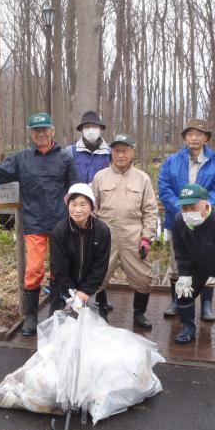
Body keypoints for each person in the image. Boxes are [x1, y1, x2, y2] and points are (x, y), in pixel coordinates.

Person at [0, 112, 79, 337]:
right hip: (35, 222)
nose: (41, 134)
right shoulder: (21, 159)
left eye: (45, 130)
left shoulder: (65, 158)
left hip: (61, 224)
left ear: (53, 131)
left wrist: (80, 214)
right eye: (36, 131)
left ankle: (55, 311)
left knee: (60, 269)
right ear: (31, 133)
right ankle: (30, 315)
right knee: (34, 270)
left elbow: (75, 188)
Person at [158, 118, 215, 321]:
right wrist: (182, 211)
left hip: (206, 222)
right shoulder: (172, 161)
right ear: (184, 138)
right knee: (177, 262)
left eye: (198, 134)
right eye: (190, 134)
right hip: (177, 220)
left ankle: (206, 304)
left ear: (206, 138)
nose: (194, 137)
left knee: (209, 262)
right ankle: (177, 301)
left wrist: (201, 210)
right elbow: (164, 188)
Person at [91, 134, 158, 328]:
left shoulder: (142, 178)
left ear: (132, 152)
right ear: (111, 153)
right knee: (99, 275)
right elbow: (91, 209)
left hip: (133, 234)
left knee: (144, 278)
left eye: (125, 151)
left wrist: (147, 238)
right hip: (105, 234)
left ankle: (139, 313)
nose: (121, 155)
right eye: (117, 151)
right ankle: (101, 308)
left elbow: (150, 210)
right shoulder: (100, 177)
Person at [171, 183, 215, 353]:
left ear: (205, 203)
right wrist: (184, 275)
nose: (188, 212)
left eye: (193, 207)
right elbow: (180, 251)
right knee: (182, 293)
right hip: (197, 263)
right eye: (185, 208)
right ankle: (188, 328)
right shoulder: (179, 221)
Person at [49, 183, 111, 314]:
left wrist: (85, 291)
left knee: (92, 321)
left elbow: (100, 265)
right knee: (61, 323)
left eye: (83, 204)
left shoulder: (102, 231)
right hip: (64, 287)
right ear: (68, 206)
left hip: (90, 287)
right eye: (73, 204)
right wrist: (71, 293)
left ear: (91, 207)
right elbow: (58, 268)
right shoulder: (59, 232)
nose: (77, 209)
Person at [66, 110, 111, 184]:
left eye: (94, 126)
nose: (91, 130)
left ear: (100, 129)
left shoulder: (109, 152)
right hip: (79, 195)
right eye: (87, 127)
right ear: (82, 130)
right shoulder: (70, 152)